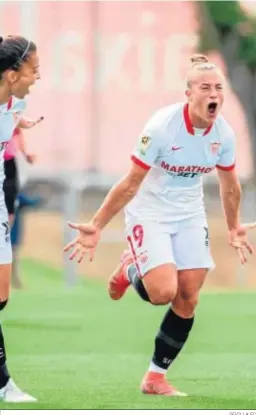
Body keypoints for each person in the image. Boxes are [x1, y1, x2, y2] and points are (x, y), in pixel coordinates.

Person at [64, 54, 256, 396]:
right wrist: (97, 225)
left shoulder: (223, 134)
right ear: (189, 93)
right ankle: (129, 268)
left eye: (218, 88)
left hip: (190, 213)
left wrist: (233, 227)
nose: (213, 93)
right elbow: (130, 183)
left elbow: (230, 185)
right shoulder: (161, 128)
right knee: (162, 292)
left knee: (188, 297)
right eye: (205, 87)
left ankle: (155, 377)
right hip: (149, 211)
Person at [0, 34, 40, 403]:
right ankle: (4, 382)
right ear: (12, 74)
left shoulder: (11, 105)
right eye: (33, 70)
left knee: (0, 296)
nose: (37, 77)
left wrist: (22, 128)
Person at [4, 118, 42, 227]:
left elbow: (18, 134)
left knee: (9, 203)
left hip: (9, 164)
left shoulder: (10, 117)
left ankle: (4, 235)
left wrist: (26, 154)